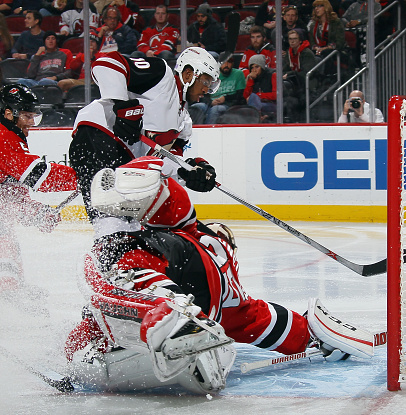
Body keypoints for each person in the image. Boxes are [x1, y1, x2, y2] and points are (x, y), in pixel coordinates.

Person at [64, 156, 375, 394]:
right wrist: (305, 333)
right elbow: (246, 317)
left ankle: (171, 314)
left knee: (116, 267)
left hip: (176, 328)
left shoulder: (153, 246)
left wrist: (78, 348)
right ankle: (175, 316)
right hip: (208, 330)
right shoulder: (212, 242)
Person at [68, 46, 220, 237]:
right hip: (98, 135)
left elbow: (162, 162)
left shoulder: (183, 121)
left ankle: (115, 262)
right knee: (111, 219)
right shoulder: (161, 75)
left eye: (212, 85)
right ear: (189, 74)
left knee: (129, 228)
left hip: (124, 161)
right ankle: (111, 260)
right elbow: (107, 63)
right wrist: (122, 106)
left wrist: (188, 172)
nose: (207, 89)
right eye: (206, 81)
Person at [0, 84, 77, 291]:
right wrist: (82, 176)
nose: (32, 122)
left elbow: (8, 197)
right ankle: (10, 293)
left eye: (34, 116)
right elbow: (40, 177)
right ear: (9, 114)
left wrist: (37, 213)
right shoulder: (2, 138)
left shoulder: (11, 137)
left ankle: (12, 291)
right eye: (27, 116)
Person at [189, 52, 246, 125]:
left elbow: (240, 96)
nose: (226, 65)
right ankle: (194, 132)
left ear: (233, 64)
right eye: (224, 62)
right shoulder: (212, 75)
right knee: (197, 106)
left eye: (229, 62)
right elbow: (204, 93)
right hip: (211, 102)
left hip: (229, 104)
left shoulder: (238, 74)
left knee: (215, 110)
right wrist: (210, 102)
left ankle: (208, 132)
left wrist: (225, 99)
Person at [282, 29, 315, 122]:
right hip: (296, 86)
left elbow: (307, 73)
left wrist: (288, 74)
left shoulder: (307, 53)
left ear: (300, 40)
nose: (292, 41)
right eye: (290, 39)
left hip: (309, 86)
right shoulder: (289, 53)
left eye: (295, 39)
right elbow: (285, 68)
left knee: (297, 100)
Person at [243, 54, 277, 121]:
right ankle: (258, 117)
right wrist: (251, 80)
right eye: (252, 68)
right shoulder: (252, 77)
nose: (254, 70)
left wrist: (259, 95)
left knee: (253, 96)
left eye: (257, 67)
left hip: (271, 105)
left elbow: (276, 95)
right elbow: (246, 96)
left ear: (262, 67)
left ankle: (255, 119)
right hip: (256, 105)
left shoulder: (272, 75)